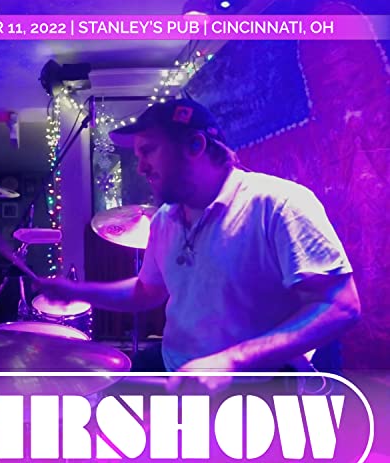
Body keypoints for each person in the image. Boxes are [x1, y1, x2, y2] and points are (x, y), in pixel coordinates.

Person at [38, 98, 360, 389]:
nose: (141, 167)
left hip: (258, 385)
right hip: (177, 371)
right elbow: (146, 291)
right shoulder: (164, 220)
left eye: (149, 150)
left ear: (195, 145)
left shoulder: (279, 205)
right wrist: (77, 292)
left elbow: (340, 307)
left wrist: (231, 361)